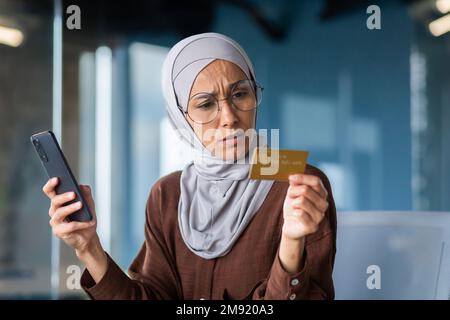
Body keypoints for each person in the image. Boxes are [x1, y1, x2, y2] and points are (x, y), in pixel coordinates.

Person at [42, 33, 336, 300]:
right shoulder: (167, 194)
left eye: (240, 94)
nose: (229, 117)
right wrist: (88, 247)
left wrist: (292, 244)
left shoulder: (297, 181)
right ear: (181, 119)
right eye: (206, 104)